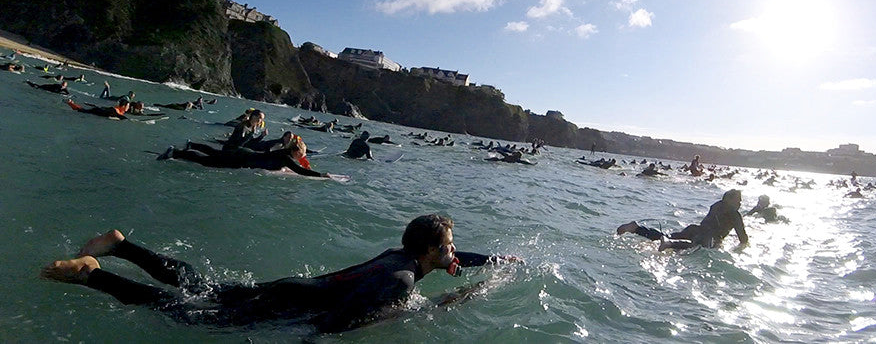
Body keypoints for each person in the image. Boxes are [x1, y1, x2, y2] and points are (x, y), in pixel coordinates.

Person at [40, 215, 521, 332]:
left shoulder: (397, 256)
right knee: (186, 313)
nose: (456, 252)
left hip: (292, 286)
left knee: (197, 285)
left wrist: (494, 262)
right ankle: (91, 276)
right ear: (432, 251)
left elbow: (452, 253)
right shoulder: (401, 282)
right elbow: (338, 324)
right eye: (451, 247)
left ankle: (121, 247)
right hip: (285, 305)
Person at [616, 189, 748, 250]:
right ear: (729, 199)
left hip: (695, 228)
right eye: (738, 200)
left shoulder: (717, 205)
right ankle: (669, 244)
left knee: (665, 236)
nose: (740, 204)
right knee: (691, 245)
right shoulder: (734, 214)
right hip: (708, 237)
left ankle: (636, 228)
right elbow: (742, 238)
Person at [158, 137, 331, 178]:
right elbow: (300, 171)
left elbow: (294, 166)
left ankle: (183, 150)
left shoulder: (284, 155)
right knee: (206, 161)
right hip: (240, 160)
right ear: (295, 152)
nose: (302, 158)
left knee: (212, 155)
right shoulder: (286, 157)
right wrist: (322, 175)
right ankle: (175, 153)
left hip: (244, 154)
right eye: (301, 155)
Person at [66, 99, 131, 120]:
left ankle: (71, 103)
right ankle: (70, 103)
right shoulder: (115, 110)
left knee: (82, 110)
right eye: (128, 106)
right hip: (97, 111)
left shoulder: (119, 111)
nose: (128, 107)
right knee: (81, 110)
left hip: (99, 110)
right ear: (123, 106)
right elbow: (117, 115)